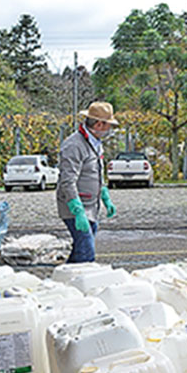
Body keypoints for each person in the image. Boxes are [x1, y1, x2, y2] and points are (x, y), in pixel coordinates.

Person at [56, 101, 118, 263]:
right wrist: (77, 210)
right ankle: (80, 283)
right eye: (108, 125)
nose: (109, 129)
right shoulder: (74, 145)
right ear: (99, 124)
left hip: (90, 206)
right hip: (74, 207)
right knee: (86, 253)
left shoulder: (95, 143)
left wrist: (105, 196)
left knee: (80, 249)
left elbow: (96, 172)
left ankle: (63, 281)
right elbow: (67, 181)